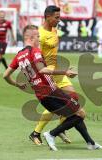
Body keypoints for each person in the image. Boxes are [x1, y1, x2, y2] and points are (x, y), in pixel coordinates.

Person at [3, 25, 102, 151]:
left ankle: (90, 143)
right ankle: (52, 134)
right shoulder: (35, 51)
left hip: (41, 95)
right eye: (38, 36)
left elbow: (5, 75)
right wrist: (65, 72)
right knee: (81, 113)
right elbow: (43, 69)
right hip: (51, 91)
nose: (39, 39)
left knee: (73, 114)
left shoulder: (19, 56)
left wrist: (17, 84)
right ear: (30, 37)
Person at [29, 5, 77, 145]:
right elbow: (35, 57)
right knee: (55, 104)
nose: (59, 20)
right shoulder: (39, 34)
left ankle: (60, 129)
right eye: (56, 17)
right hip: (46, 73)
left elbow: (52, 54)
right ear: (48, 17)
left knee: (73, 98)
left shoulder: (55, 30)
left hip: (56, 70)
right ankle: (36, 133)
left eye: (59, 17)